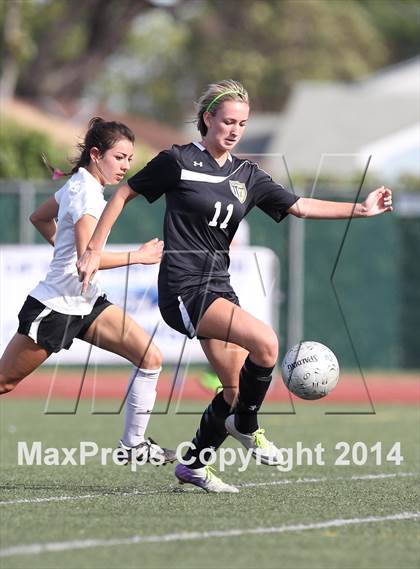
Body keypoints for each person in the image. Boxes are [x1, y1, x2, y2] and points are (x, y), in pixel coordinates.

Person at [77, 81, 393, 493]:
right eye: (227, 120)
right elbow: (123, 194)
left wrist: (361, 208)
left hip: (218, 286)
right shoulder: (178, 160)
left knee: (235, 389)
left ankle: (193, 464)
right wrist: (93, 251)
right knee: (266, 343)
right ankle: (247, 425)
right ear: (207, 118)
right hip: (183, 288)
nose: (234, 129)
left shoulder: (248, 174)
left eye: (242, 123)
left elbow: (299, 205)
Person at [0, 117, 176, 465]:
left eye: (129, 158)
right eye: (119, 157)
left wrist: (64, 253)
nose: (126, 166)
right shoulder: (87, 193)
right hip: (55, 306)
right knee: (3, 383)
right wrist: (138, 257)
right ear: (96, 154)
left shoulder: (80, 184)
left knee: (150, 357)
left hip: (86, 302)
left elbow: (39, 217)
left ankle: (133, 445)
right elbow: (87, 259)